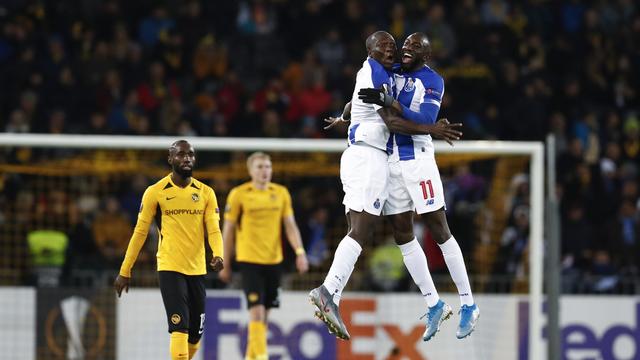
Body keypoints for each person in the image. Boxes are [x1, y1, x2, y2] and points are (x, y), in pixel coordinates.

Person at [309, 30, 462, 341]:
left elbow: (355, 101)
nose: (390, 49)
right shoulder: (374, 72)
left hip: (376, 158)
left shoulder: (383, 71)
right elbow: (391, 122)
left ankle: (432, 302)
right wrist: (433, 128)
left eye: (393, 45)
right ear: (370, 50)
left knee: (397, 228)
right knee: (362, 229)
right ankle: (328, 292)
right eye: (383, 45)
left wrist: (343, 116)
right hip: (367, 155)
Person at [358, 32, 479, 340]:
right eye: (406, 45)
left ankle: (468, 304)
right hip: (391, 162)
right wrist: (348, 114)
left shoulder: (433, 80)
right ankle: (434, 303)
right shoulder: (390, 70)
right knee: (401, 232)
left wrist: (391, 103)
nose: (406, 49)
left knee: (439, 229)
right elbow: (368, 98)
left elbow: (425, 117)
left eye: (414, 47)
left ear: (426, 55)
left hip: (418, 161)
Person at [113, 140, 224, 360]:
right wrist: (125, 270)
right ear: (170, 159)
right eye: (181, 154)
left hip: (198, 269)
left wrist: (218, 253)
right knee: (179, 328)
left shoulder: (206, 193)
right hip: (170, 267)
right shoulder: (155, 192)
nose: (187, 159)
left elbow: (213, 230)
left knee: (195, 336)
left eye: (190, 155)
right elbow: (139, 233)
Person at [219, 152, 309, 360]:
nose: (264, 171)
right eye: (260, 167)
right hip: (249, 261)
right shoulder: (239, 194)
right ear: (250, 171)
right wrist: (225, 260)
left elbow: (290, 225)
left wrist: (300, 252)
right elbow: (229, 230)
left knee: (264, 317)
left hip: (274, 262)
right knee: (257, 312)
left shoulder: (281, 193)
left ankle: (252, 356)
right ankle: (261, 357)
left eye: (268, 167)